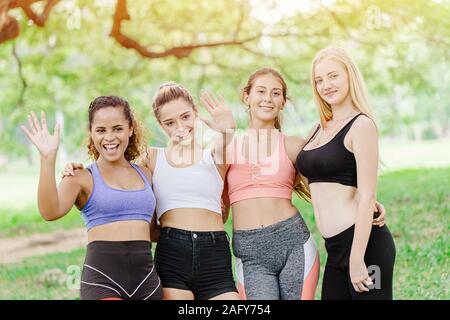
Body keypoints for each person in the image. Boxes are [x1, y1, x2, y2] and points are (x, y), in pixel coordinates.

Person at [213, 68, 386, 300]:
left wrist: (367, 201)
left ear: (283, 102)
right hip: (250, 252)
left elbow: (324, 187)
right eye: (261, 91)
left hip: (294, 243)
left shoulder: (295, 147)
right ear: (247, 96)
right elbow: (219, 212)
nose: (267, 99)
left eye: (276, 93)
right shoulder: (227, 148)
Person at [62, 84, 240, 300]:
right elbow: (116, 168)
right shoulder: (152, 159)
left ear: (196, 112)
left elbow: (225, 145)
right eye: (169, 122)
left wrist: (227, 131)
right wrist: (74, 168)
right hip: (173, 252)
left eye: (185, 117)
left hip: (214, 255)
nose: (180, 126)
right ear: (160, 125)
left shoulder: (212, 156)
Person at [21, 96, 163, 300]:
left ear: (130, 129)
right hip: (103, 282)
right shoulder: (81, 177)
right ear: (91, 133)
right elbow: (49, 211)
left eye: (117, 128)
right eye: (101, 130)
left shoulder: (145, 174)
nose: (110, 137)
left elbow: (152, 231)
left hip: (147, 282)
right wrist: (47, 159)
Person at [295, 46, 396, 299]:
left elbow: (366, 195)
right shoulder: (318, 129)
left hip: (366, 247)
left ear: (349, 76)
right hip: (335, 248)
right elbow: (314, 178)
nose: (325, 85)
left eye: (333, 76)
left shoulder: (361, 125)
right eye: (319, 80)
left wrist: (357, 258)